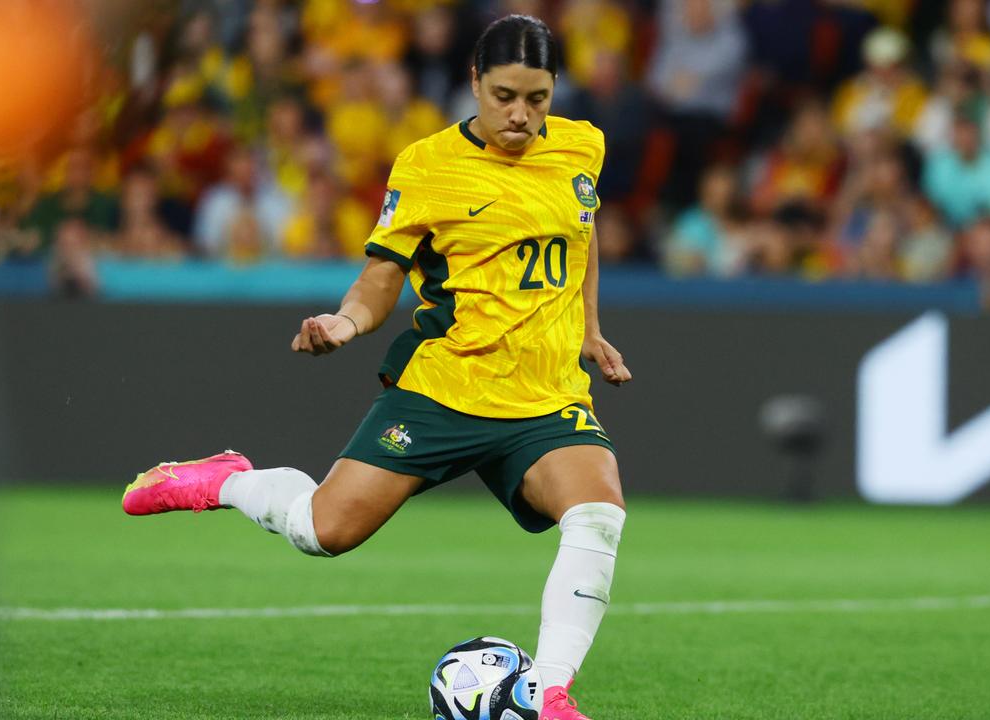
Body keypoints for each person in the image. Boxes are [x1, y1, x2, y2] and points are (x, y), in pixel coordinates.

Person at [121, 16, 630, 720]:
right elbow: (381, 276)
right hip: (445, 387)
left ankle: (547, 694)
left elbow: (582, 231)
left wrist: (589, 327)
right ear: (475, 82)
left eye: (538, 98)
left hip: (543, 397)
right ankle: (231, 482)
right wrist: (347, 322)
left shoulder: (582, 146)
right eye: (507, 95)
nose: (522, 115)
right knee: (321, 532)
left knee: (599, 511)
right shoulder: (427, 165)